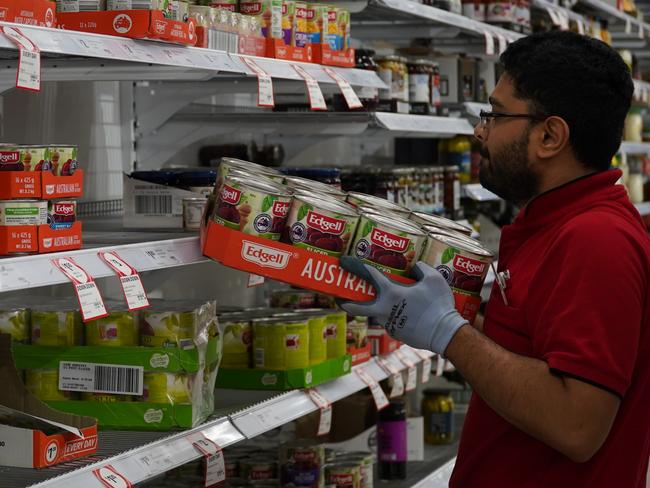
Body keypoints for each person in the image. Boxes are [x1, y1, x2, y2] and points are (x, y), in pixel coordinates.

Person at [339, 31, 650, 487]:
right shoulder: (554, 222)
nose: (479, 130)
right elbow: (533, 351)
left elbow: (577, 424)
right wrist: (447, 313)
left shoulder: (594, 239)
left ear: (550, 135)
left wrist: (450, 334)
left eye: (496, 114)